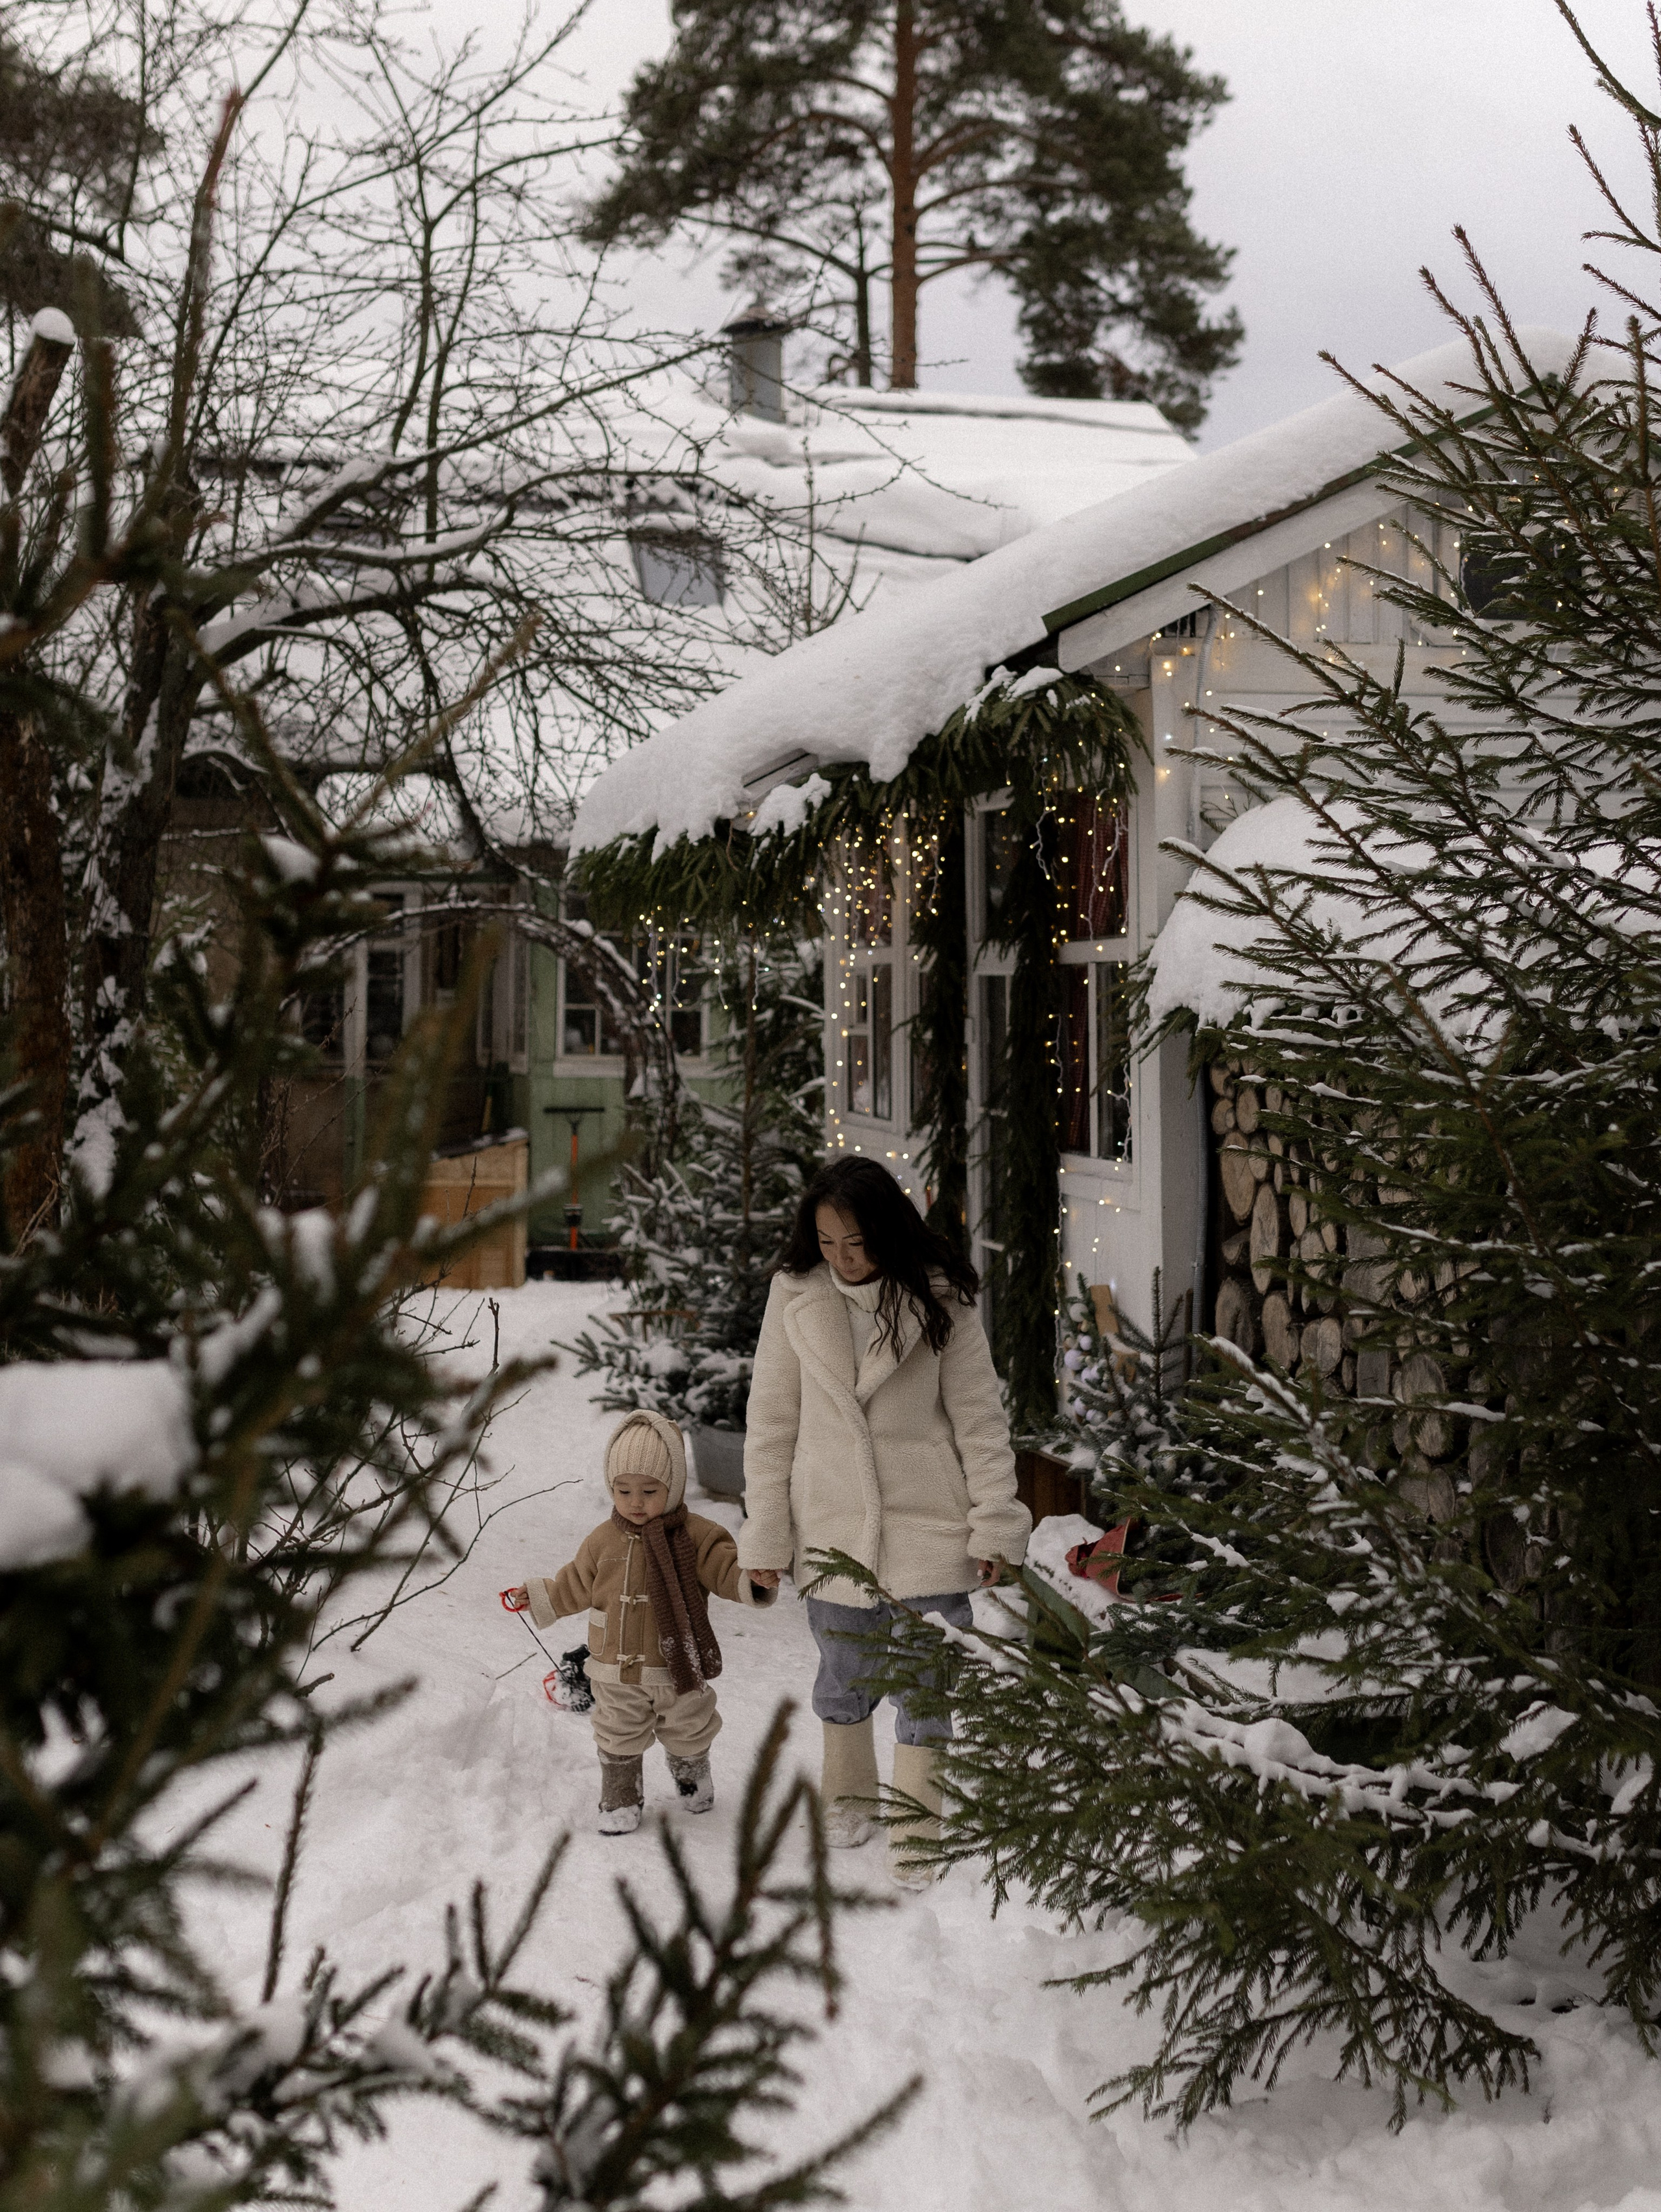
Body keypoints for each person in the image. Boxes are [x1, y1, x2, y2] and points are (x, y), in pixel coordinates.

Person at [739, 1157, 1030, 1888]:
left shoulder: (941, 1298)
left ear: (890, 1230)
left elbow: (981, 1421)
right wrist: (768, 1536)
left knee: (926, 1682)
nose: (843, 1257)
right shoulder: (795, 1294)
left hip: (927, 1526)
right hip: (831, 1524)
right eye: (829, 1241)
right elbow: (771, 1424)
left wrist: (994, 1521)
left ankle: (919, 1821)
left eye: (858, 1242)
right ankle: (847, 1796)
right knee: (842, 1671)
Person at [501, 1410, 775, 1835]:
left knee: (690, 1727)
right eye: (623, 1490)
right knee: (616, 1732)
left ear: (675, 1485)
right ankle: (620, 1800)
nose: (635, 1501)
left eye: (650, 1490)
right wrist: (539, 1596)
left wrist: (752, 1580)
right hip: (616, 1667)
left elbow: (726, 1571)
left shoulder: (699, 1535)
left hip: (677, 1665)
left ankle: (692, 1782)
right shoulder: (602, 1540)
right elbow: (574, 1583)